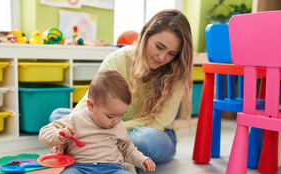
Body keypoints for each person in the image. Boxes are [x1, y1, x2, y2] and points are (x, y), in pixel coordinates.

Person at [50, 9, 193, 165]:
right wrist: (66, 131)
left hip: (151, 133)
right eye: (159, 47)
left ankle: (97, 150)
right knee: (59, 117)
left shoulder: (176, 71)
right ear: (146, 34)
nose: (163, 57)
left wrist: (105, 132)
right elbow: (90, 101)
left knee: (144, 140)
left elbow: (159, 122)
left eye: (172, 53)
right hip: (109, 125)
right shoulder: (118, 59)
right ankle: (105, 151)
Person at [39, 69, 157, 174]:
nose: (117, 121)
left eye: (121, 115)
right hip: (81, 169)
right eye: (110, 116)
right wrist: (60, 136)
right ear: (91, 105)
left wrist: (142, 159)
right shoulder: (75, 119)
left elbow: (127, 148)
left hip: (112, 171)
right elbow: (44, 133)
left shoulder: (118, 125)